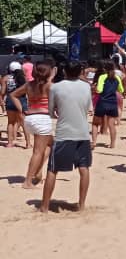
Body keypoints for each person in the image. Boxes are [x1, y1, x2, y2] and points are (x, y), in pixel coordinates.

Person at [40, 61, 93, 213]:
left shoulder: (56, 87)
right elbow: (87, 106)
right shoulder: (86, 86)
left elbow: (50, 111)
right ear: (80, 71)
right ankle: (81, 205)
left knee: (52, 169)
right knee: (84, 169)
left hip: (64, 133)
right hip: (83, 132)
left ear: (64, 71)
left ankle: (44, 206)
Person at [13, 61, 54, 189]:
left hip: (30, 118)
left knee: (51, 144)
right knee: (38, 151)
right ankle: (28, 181)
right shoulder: (49, 86)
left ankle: (37, 172)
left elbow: (13, 95)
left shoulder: (29, 85)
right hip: (42, 119)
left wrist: (21, 109)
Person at [92, 61, 124, 149]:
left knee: (95, 124)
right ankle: (112, 144)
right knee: (112, 125)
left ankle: (94, 142)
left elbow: (100, 90)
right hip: (113, 102)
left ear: (104, 69)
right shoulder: (117, 77)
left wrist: (95, 88)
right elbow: (121, 90)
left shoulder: (102, 77)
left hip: (102, 102)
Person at [3, 62, 27, 148]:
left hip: (10, 100)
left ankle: (10, 142)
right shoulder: (23, 77)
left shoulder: (6, 78)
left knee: (10, 122)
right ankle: (28, 143)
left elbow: (2, 92)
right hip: (21, 100)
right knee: (23, 122)